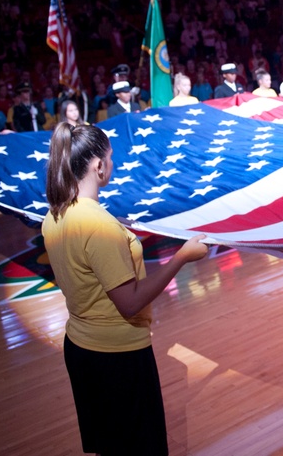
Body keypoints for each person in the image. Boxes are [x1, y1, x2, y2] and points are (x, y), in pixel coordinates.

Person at [42, 123, 209, 455]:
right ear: (98, 165)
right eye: (111, 157)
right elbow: (129, 303)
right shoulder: (99, 226)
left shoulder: (56, 214)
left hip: (80, 346)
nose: (113, 164)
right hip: (116, 356)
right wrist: (181, 258)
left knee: (111, 445)